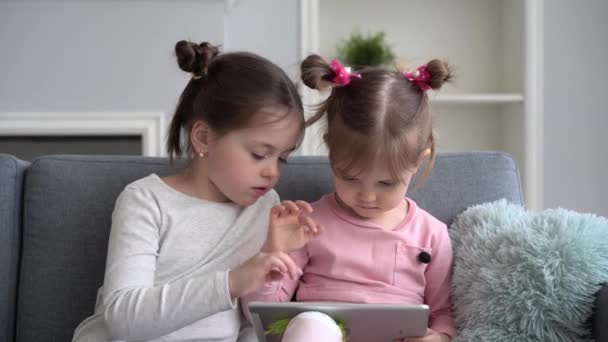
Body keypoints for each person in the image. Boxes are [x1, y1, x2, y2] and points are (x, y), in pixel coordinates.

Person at [72, 41, 321, 342]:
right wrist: (231, 283)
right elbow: (122, 319)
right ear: (203, 137)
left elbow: (249, 326)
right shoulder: (146, 201)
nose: (273, 171)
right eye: (259, 154)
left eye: (282, 158)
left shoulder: (266, 207)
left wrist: (272, 258)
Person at [243, 55, 457, 342]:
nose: (367, 196)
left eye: (386, 183)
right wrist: (273, 255)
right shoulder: (308, 223)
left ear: (419, 162)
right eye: (349, 177)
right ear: (330, 150)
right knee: (309, 327)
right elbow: (266, 314)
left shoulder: (432, 234)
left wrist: (441, 338)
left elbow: (445, 314)